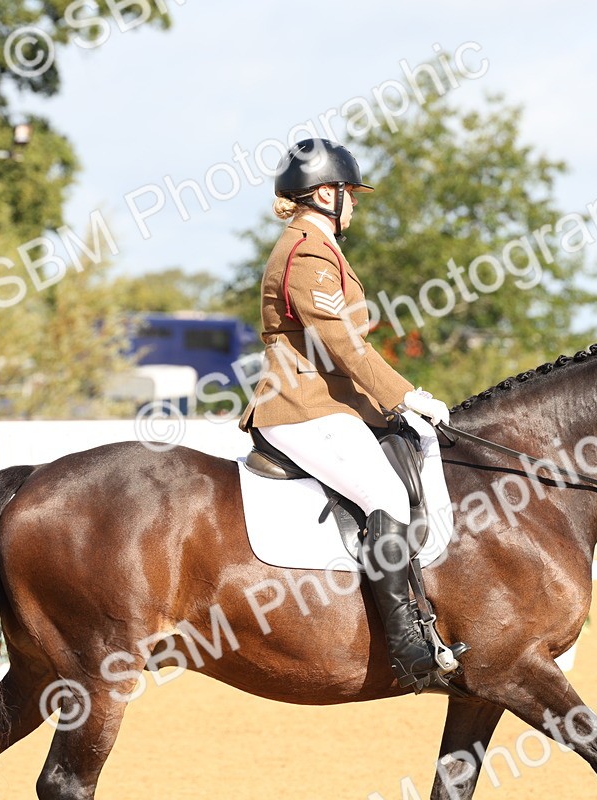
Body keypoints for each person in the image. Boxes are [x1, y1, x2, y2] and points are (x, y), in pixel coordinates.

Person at [238, 138, 462, 688]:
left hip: (330, 401)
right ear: (323, 194)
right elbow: (342, 343)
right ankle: (407, 639)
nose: (354, 204)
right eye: (349, 194)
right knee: (384, 495)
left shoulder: (317, 247)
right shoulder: (306, 252)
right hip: (302, 405)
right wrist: (404, 395)